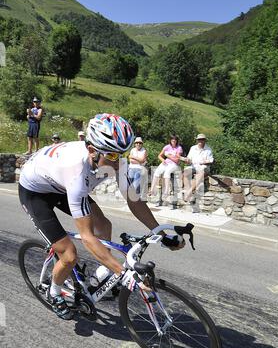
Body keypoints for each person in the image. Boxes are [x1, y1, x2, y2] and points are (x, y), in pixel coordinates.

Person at [19, 114, 184, 320]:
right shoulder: (76, 171)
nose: (118, 163)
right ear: (92, 150)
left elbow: (134, 200)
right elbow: (87, 238)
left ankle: (99, 277)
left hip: (58, 183)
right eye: (113, 156)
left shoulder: (113, 159)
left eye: (121, 155)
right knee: (69, 255)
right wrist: (124, 276)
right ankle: (54, 293)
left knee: (104, 225)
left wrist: (160, 232)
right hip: (35, 192)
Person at [150, 135, 183, 202]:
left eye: (175, 140)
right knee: (157, 172)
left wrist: (168, 155)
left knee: (167, 172)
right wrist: (163, 160)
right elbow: (159, 155)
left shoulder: (179, 148)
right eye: (172, 139)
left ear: (176, 141)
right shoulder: (167, 147)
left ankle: (167, 191)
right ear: (170, 140)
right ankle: (152, 190)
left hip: (174, 164)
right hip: (166, 162)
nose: (173, 141)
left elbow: (177, 160)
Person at [183, 134, 214, 203]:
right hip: (193, 166)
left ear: (205, 140)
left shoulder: (208, 149)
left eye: (202, 139)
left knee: (200, 172)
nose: (200, 141)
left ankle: (189, 192)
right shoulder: (193, 148)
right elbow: (189, 159)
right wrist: (187, 160)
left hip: (204, 167)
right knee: (185, 172)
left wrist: (204, 162)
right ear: (197, 140)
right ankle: (189, 194)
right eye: (199, 139)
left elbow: (211, 161)